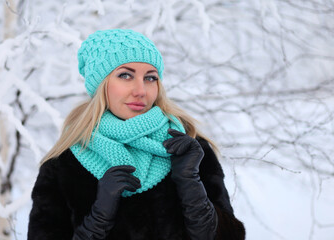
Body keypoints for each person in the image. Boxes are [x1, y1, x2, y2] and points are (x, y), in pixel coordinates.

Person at [27, 29, 245, 240]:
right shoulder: (63, 165)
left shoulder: (188, 148)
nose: (141, 90)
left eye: (150, 78)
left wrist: (190, 184)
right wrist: (99, 217)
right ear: (101, 85)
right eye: (125, 75)